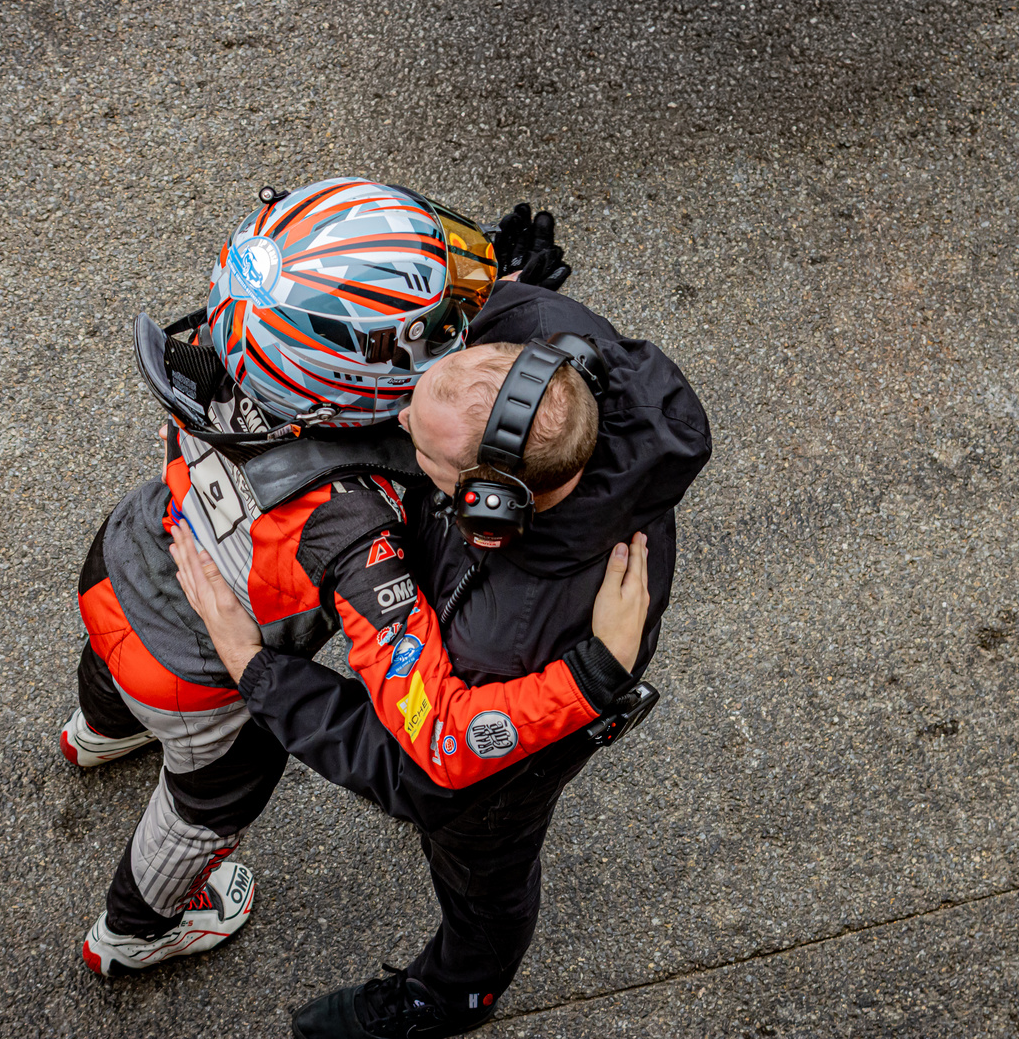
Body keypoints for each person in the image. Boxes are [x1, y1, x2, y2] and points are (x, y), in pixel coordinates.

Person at [57, 177, 649, 976]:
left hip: (125, 559)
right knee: (211, 800)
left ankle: (98, 734)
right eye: (430, 331)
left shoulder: (228, 348)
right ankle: (137, 930)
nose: (453, 331)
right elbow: (438, 732)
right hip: (191, 674)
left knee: (112, 666)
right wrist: (592, 677)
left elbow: (345, 336)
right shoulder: (356, 532)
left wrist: (489, 297)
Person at [175, 271, 713, 1036]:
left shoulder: (505, 640)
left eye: (420, 446)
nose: (398, 418)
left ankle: (457, 995)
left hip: (490, 779)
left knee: (483, 873)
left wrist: (254, 669)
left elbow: (423, 771)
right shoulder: (543, 328)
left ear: (490, 500)